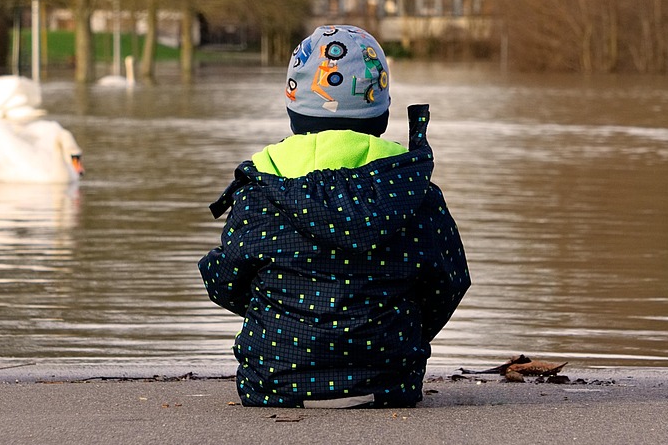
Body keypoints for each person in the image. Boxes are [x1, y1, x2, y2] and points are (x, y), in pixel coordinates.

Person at [199, 25, 470, 408]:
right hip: (389, 384)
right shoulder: (414, 194)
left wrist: (282, 308)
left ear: (292, 111)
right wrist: (404, 329)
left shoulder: (260, 192)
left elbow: (226, 281)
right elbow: (449, 283)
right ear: (383, 115)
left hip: (275, 384)